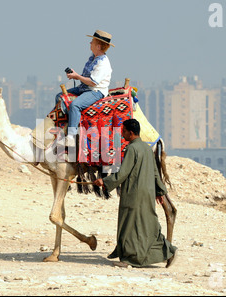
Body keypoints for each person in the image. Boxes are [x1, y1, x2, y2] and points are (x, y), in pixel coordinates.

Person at [94, 119, 178, 268]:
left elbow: (123, 174)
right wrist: (159, 191)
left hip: (134, 193)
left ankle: (128, 260)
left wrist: (104, 182)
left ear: (131, 133)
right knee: (148, 225)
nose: (122, 134)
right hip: (148, 192)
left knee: (129, 224)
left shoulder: (132, 149)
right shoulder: (146, 148)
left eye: (124, 131)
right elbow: (155, 172)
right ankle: (168, 252)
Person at [56, 30, 114, 147]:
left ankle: (71, 136)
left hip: (95, 91)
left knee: (75, 105)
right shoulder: (93, 57)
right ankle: (63, 126)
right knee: (60, 97)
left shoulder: (103, 63)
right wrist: (76, 75)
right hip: (84, 87)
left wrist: (77, 76)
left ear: (98, 46)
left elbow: (93, 82)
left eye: (92, 41)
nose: (90, 43)